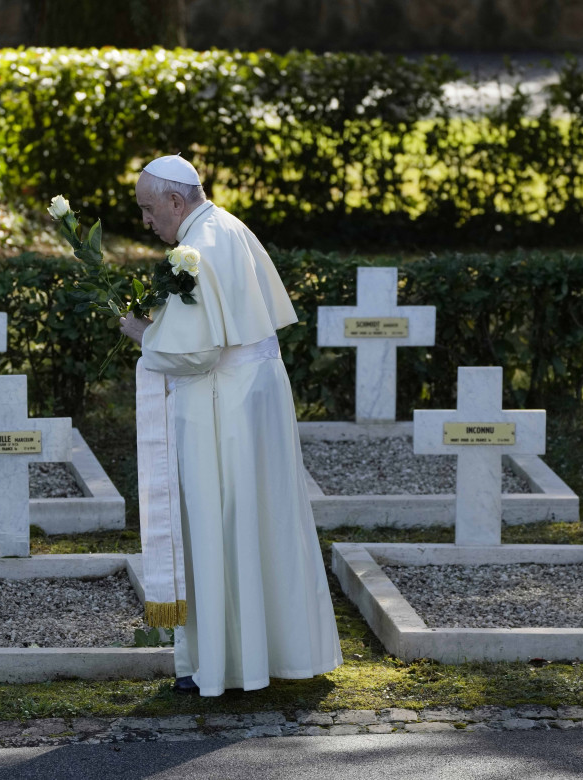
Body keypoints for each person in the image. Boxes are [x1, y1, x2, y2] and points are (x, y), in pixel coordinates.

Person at [119, 154, 342, 697]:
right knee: (261, 517)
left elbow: (195, 351)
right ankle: (273, 655)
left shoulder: (200, 246)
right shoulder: (226, 225)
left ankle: (223, 667)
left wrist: (140, 332)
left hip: (225, 402)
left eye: (150, 210)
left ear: (176, 201)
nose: (147, 222)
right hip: (253, 394)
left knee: (223, 519)